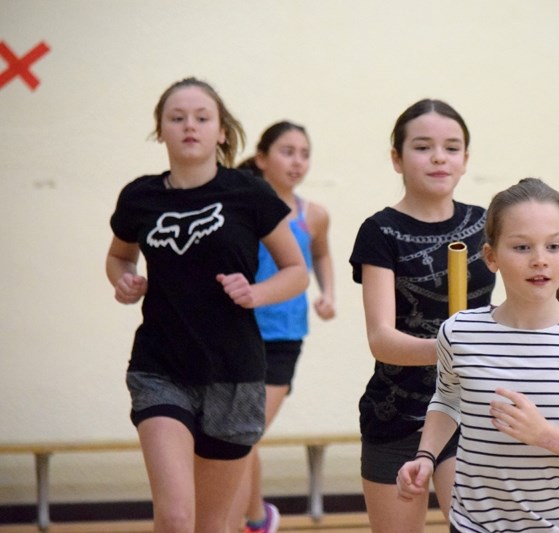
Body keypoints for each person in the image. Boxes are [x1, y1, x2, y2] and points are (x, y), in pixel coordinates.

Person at [106, 77, 309, 533]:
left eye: (202, 118)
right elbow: (119, 255)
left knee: (212, 524)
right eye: (177, 118)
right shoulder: (141, 196)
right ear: (161, 130)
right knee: (177, 516)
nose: (189, 126)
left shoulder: (250, 194)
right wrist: (124, 280)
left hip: (235, 374)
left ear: (221, 131)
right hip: (160, 370)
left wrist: (256, 293)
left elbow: (296, 271)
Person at [396, 177, 559, 532]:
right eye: (522, 248)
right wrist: (426, 455)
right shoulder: (459, 332)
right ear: (491, 257)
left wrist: (546, 436)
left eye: (554, 247)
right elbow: (447, 399)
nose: (540, 260)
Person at [349, 99, 496, 532]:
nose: (438, 157)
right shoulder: (378, 232)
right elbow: (381, 338)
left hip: (472, 410)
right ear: (396, 158)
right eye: (422, 146)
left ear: (465, 160)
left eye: (452, 147)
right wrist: (452, 349)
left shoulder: (486, 225)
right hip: (398, 414)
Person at [228, 121, 336, 533]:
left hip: (283, 340)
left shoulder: (314, 214)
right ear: (262, 159)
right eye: (287, 151)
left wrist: (328, 294)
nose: (298, 161)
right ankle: (258, 519)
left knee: (245, 434)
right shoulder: (244, 208)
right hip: (239, 333)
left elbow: (321, 254)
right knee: (238, 436)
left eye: (304, 153)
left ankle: (247, 521)